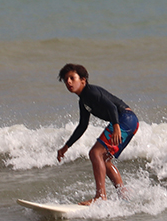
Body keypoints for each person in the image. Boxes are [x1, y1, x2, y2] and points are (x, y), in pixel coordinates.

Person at [56, 64, 139, 205]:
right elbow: (83, 126)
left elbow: (112, 107)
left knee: (95, 153)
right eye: (66, 80)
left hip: (125, 119)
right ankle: (123, 194)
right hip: (130, 121)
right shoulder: (83, 101)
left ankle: (100, 196)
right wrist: (66, 147)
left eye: (72, 78)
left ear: (83, 80)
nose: (68, 82)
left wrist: (116, 126)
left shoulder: (91, 92)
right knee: (104, 159)